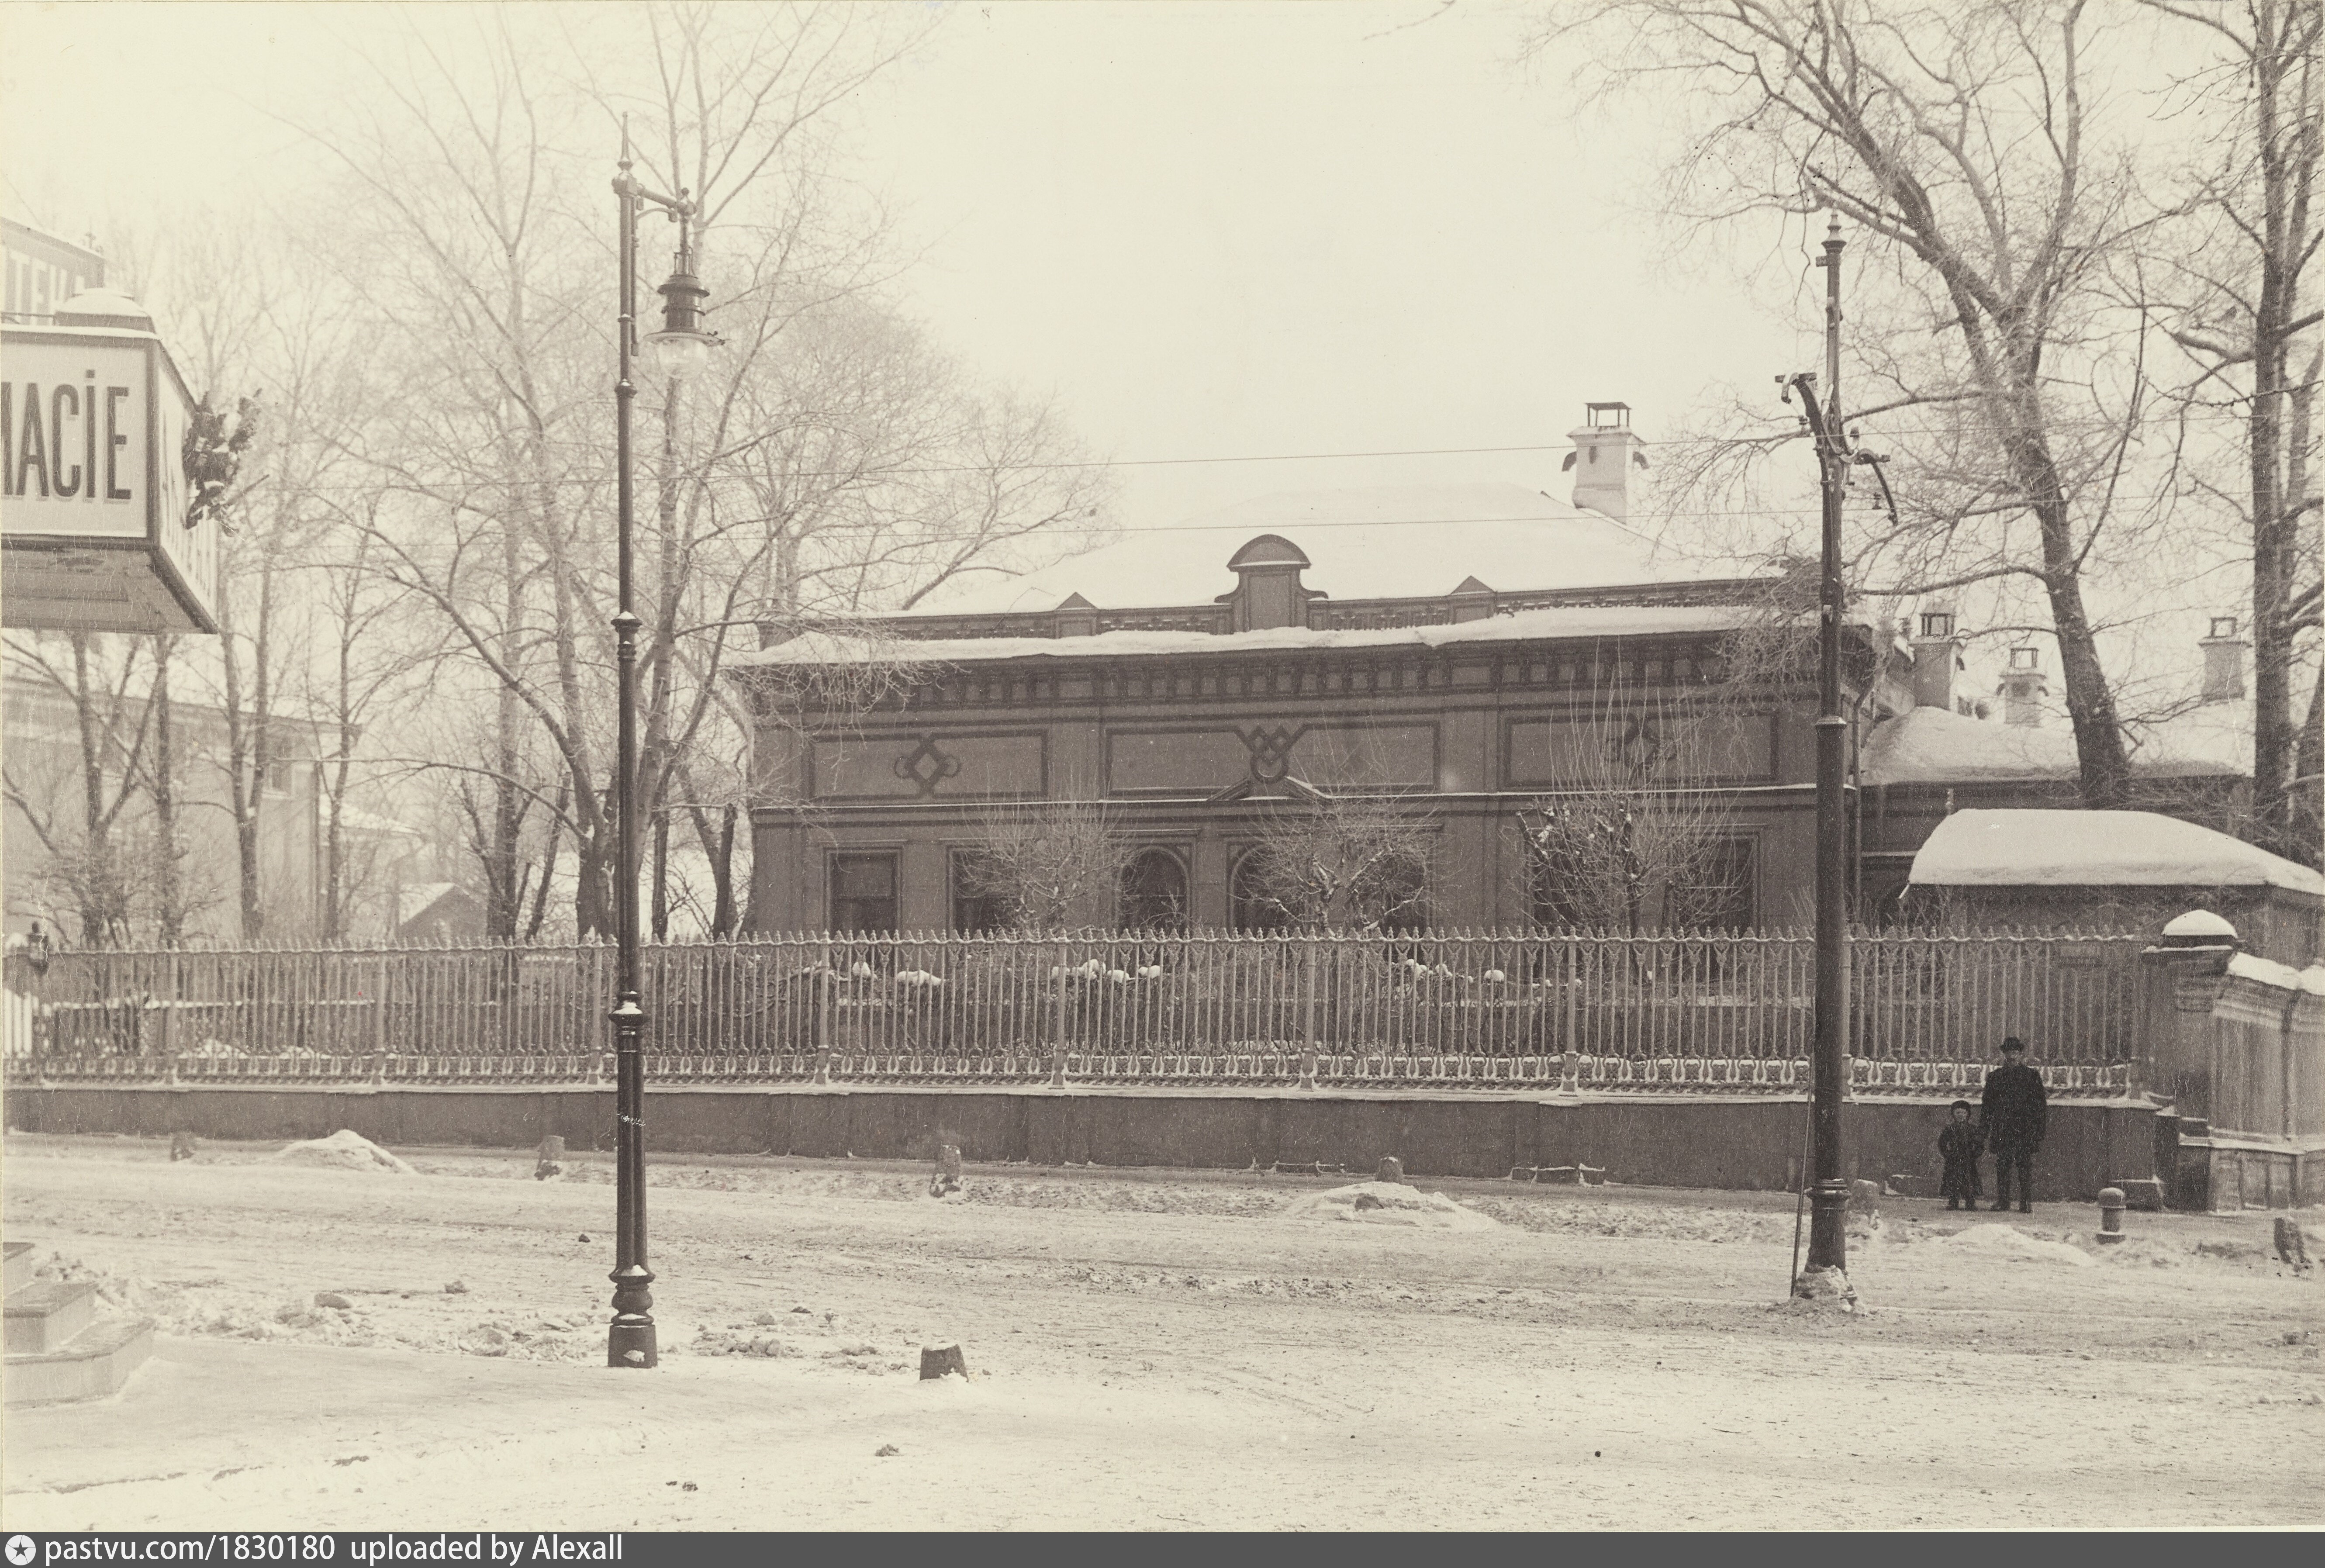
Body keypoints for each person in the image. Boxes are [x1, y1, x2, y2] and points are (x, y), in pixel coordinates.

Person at [1980, 1036, 2048, 1213]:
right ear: (2004, 1054)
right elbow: (1988, 1106)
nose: (2012, 1056)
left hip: (2024, 1129)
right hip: (2003, 1128)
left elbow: (2040, 1105)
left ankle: (2025, 1202)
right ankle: (2003, 1201)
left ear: (2021, 1054)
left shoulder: (2031, 1076)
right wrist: (1984, 1130)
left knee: (2024, 1166)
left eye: (2016, 1052)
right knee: (2003, 1165)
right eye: (2009, 1052)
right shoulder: (1995, 1078)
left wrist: (2039, 1130)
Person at [1937, 1100, 1982, 1210]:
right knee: (1953, 1180)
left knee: (1970, 1180)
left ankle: (1970, 1202)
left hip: (1968, 1159)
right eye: (1958, 1113)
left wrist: (1974, 1154)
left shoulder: (1972, 1129)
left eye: (1963, 1113)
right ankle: (1953, 1201)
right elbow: (1942, 1143)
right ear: (1953, 1115)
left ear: (1968, 1115)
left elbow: (1979, 1144)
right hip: (1954, 1159)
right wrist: (1947, 1154)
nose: (1961, 1116)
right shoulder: (1950, 1129)